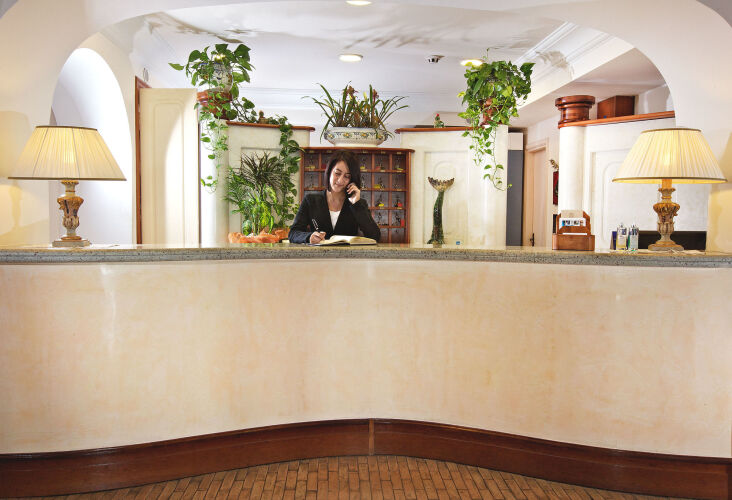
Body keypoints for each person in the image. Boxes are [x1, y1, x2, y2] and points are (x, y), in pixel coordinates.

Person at [289, 150, 381, 244]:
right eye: (337, 173)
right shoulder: (310, 200)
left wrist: (356, 205)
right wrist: (309, 237)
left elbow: (375, 236)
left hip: (348, 253)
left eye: (347, 176)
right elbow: (293, 233)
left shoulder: (358, 204)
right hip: (319, 253)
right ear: (329, 171)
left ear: (352, 179)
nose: (340, 180)